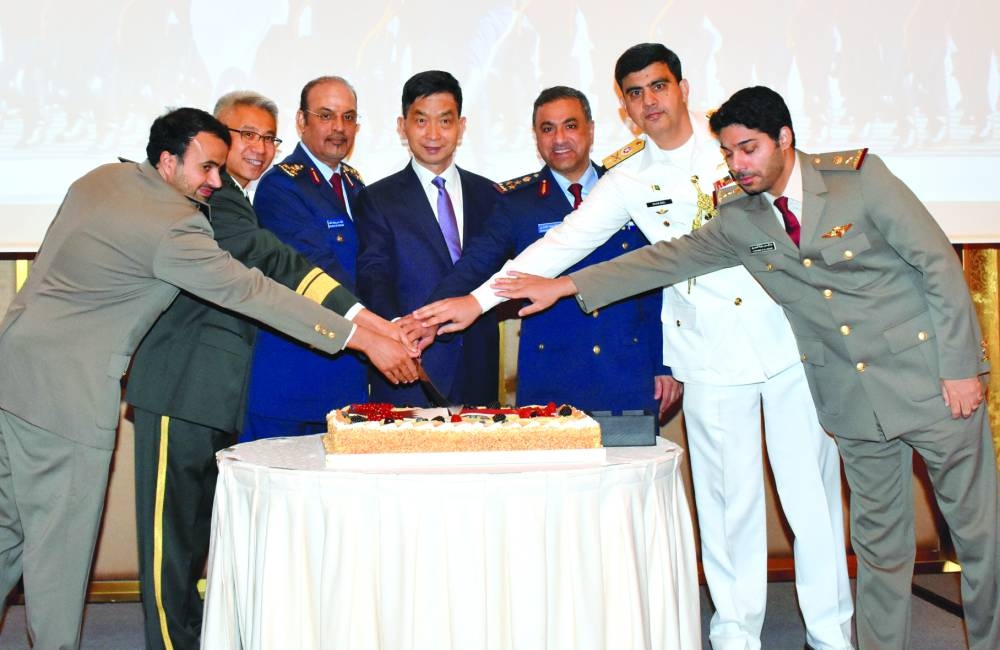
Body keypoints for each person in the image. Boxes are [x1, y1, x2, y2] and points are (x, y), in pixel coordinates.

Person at [490, 85, 999, 650]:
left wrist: (960, 369)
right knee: (879, 548)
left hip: (932, 385)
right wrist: (564, 285)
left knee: (979, 539)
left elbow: (937, 266)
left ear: (785, 139)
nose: (739, 164)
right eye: (730, 153)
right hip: (854, 405)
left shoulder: (861, 180)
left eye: (750, 149)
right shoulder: (742, 218)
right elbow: (663, 259)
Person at [414, 45, 854, 650]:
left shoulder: (732, 148)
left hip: (785, 345)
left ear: (682, 89)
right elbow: (559, 247)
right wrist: (478, 302)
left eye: (659, 86)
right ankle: (735, 633)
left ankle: (831, 634)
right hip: (707, 355)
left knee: (810, 497)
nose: (650, 101)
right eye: (636, 93)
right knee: (729, 505)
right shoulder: (628, 179)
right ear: (625, 107)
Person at [0, 107, 417, 650]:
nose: (215, 182)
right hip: (69, 399)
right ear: (168, 160)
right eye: (207, 168)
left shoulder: (101, 178)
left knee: (7, 530)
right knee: (59, 553)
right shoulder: (176, 227)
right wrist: (358, 337)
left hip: (13, 370)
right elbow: (250, 289)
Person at [124, 92, 412, 650]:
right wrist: (369, 329)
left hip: (215, 392)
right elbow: (273, 261)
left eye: (267, 137)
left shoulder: (235, 197)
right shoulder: (213, 202)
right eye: (242, 135)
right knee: (171, 544)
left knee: (198, 536)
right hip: (181, 387)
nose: (256, 148)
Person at [416, 85, 667, 414]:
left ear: (591, 129)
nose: (559, 138)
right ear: (536, 137)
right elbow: (475, 265)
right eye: (547, 129)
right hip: (553, 374)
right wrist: (425, 317)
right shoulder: (516, 202)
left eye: (571, 125)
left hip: (626, 369)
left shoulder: (630, 188)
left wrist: (666, 365)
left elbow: (657, 281)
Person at [356, 70, 501, 407]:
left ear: (461, 127)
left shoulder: (491, 195)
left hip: (478, 366)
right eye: (421, 121)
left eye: (445, 121)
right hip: (409, 366)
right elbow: (373, 273)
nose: (433, 134)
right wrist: (397, 333)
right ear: (401, 126)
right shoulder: (377, 198)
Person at [242, 76, 369, 440]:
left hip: (346, 382)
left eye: (348, 117)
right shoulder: (280, 185)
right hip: (293, 381)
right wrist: (384, 328)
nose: (339, 128)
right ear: (301, 121)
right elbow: (317, 271)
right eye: (326, 115)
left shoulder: (354, 184)